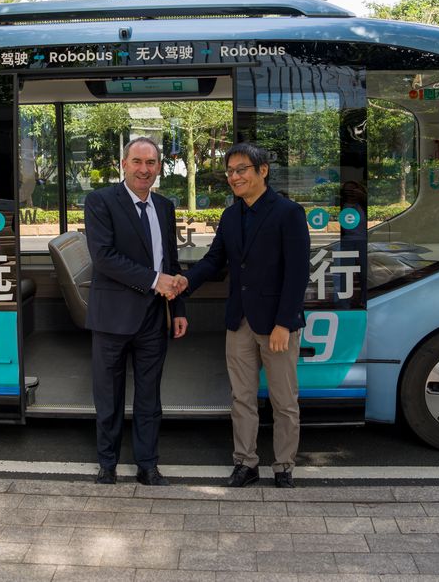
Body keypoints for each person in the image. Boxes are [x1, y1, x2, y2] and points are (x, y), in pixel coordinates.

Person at [176, 142, 310, 488]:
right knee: (241, 398)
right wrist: (183, 283)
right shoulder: (230, 216)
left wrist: (284, 322)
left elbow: (297, 274)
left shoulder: (288, 212)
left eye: (242, 170)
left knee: (283, 401)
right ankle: (246, 463)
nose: (234, 177)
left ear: (262, 170)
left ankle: (283, 466)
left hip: (277, 324)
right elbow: (214, 262)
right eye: (230, 172)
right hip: (239, 322)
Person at [83, 136, 188, 486]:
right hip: (112, 317)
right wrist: (154, 280)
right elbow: (104, 258)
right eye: (137, 162)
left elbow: (170, 262)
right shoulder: (100, 201)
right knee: (108, 397)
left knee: (149, 396)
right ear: (123, 164)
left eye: (151, 163)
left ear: (159, 167)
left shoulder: (165, 206)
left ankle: (147, 465)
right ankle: (107, 464)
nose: (144, 170)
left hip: (154, 318)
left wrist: (179, 308)